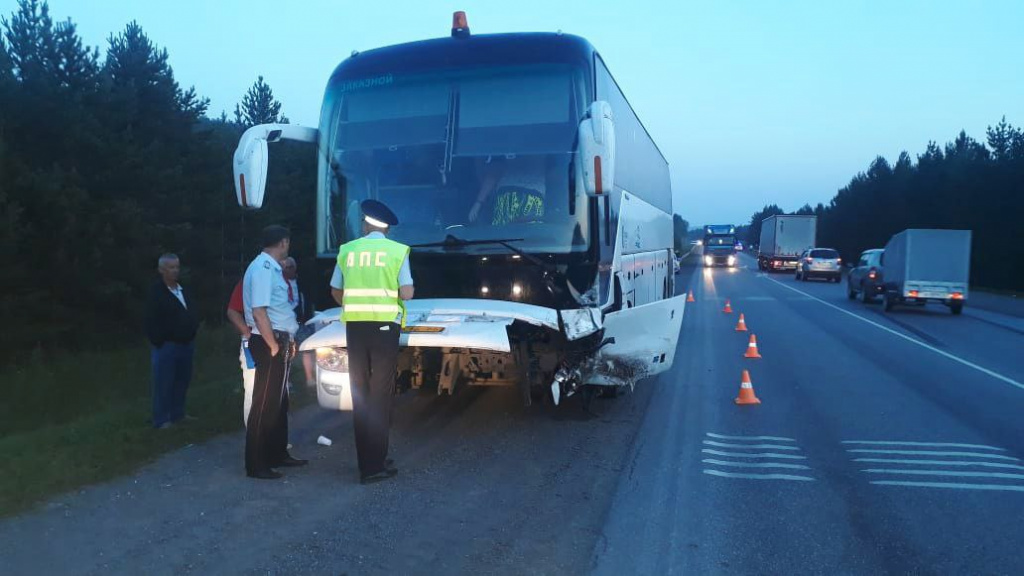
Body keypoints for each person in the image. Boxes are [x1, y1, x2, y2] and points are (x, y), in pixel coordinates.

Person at [330, 200, 414, 484]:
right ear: (386, 227)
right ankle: (374, 466)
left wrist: (355, 306)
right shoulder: (397, 252)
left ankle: (367, 460)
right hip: (384, 328)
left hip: (355, 328)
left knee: (361, 394)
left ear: (366, 224)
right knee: (380, 396)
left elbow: (335, 290)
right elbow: (407, 291)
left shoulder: (347, 250)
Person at [242, 226, 308, 480]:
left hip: (281, 337)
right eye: (287, 243)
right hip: (268, 340)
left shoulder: (271, 268)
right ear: (282, 242)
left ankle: (277, 453)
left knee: (280, 402)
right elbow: (259, 311)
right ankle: (256, 463)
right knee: (264, 404)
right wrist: (272, 344)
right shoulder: (262, 268)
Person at [144, 254, 199, 429]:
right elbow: (151, 319)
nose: (175, 271)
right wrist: (159, 340)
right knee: (164, 381)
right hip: (167, 344)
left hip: (186, 343)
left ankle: (178, 413)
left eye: (177, 267)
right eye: (171, 267)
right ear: (161, 270)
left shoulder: (183, 290)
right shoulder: (156, 292)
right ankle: (161, 418)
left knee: (182, 379)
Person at [467, 155, 547, 225]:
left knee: (502, 236)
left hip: (508, 198)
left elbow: (494, 172)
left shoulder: (502, 142)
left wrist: (479, 202)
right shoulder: (545, 143)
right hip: (533, 199)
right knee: (531, 239)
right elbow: (554, 175)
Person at [225, 279, 256, 426]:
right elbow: (232, 311)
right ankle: (255, 438)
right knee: (254, 389)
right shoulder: (250, 279)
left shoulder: (281, 281)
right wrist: (247, 333)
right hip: (254, 342)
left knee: (276, 392)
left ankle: (274, 437)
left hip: (277, 342)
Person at [282, 257, 316, 386]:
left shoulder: (303, 282)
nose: (289, 270)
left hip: (303, 320)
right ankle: (286, 380)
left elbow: (310, 298)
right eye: (286, 267)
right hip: (286, 322)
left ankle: (310, 379)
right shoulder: (279, 283)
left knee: (308, 349)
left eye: (291, 267)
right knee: (286, 351)